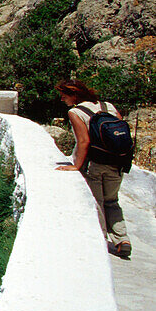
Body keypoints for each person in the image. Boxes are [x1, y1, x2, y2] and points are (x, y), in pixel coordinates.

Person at [54, 80, 131, 258]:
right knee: (112, 201)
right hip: (116, 164)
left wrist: (76, 166)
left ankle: (100, 242)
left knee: (96, 203)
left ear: (75, 95)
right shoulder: (107, 106)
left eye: (64, 94)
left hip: (94, 165)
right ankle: (123, 240)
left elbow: (84, 141)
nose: (62, 98)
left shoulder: (75, 112)